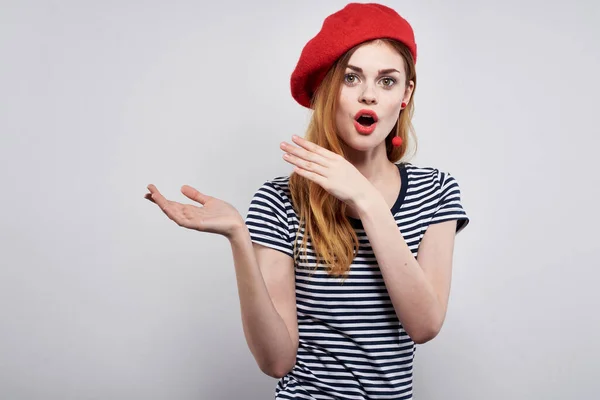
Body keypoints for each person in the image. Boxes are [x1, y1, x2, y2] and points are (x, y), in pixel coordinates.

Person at [145, 3, 470, 399]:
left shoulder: (435, 191)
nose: (369, 94)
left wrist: (365, 199)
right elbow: (276, 362)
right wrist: (238, 239)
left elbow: (425, 325)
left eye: (387, 81)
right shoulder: (279, 200)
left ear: (406, 94)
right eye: (351, 78)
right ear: (328, 92)